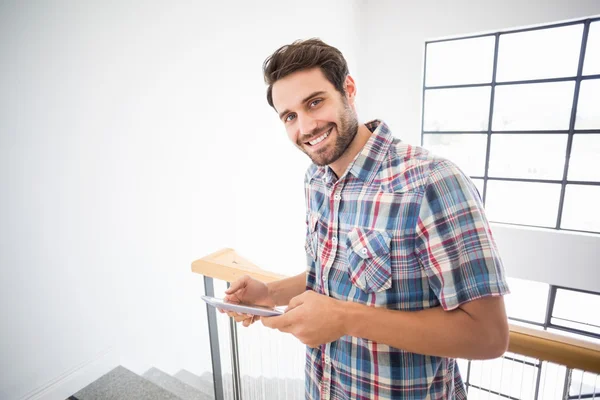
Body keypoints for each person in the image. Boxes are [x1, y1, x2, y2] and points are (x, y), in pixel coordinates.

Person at [221, 38, 510, 399]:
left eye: (315, 102)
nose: (306, 127)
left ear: (349, 89)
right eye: (290, 116)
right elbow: (334, 275)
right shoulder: (316, 179)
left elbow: (488, 336)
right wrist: (271, 292)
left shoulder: (432, 181)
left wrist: (344, 318)